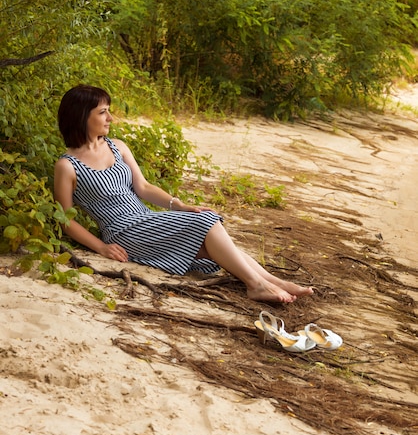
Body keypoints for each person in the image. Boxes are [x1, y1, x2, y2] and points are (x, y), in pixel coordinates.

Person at [54, 84, 314, 303]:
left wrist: (179, 205)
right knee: (207, 223)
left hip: (146, 218)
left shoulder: (117, 146)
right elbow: (66, 219)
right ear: (82, 117)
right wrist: (101, 247)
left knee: (208, 239)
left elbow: (143, 188)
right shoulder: (67, 166)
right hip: (124, 232)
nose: (110, 118)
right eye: (103, 112)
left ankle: (275, 281)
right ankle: (255, 284)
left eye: (109, 111)